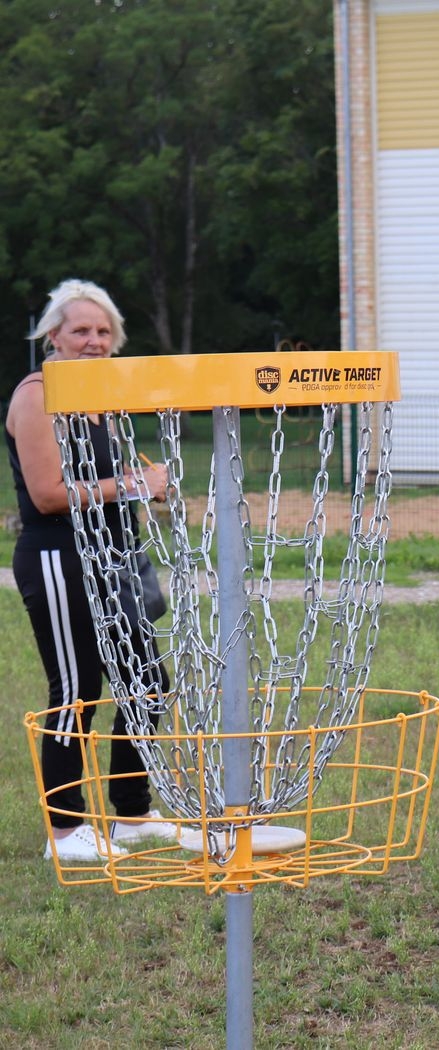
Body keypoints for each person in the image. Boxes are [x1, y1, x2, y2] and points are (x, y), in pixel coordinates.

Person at [9, 279, 176, 863]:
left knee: (147, 681)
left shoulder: (101, 400)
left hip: (115, 556)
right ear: (52, 335)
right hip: (57, 557)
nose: (93, 340)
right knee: (77, 690)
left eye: (104, 331)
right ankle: (66, 832)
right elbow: (50, 495)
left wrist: (143, 486)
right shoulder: (37, 395)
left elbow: (106, 480)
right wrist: (132, 483)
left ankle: (131, 815)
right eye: (80, 329)